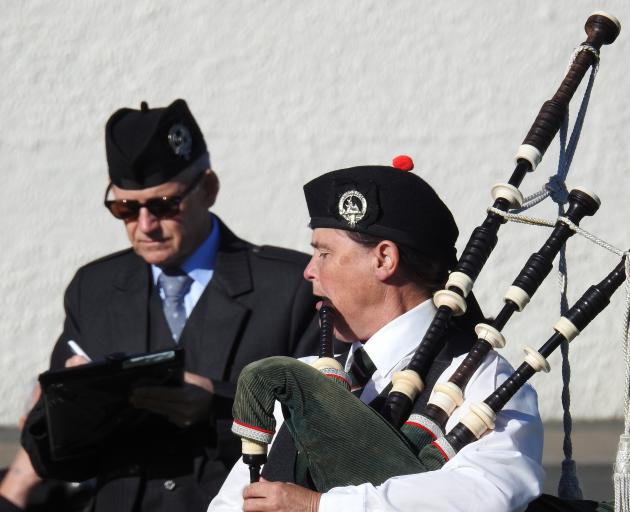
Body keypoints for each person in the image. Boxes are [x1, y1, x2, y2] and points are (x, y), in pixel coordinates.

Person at [21, 99, 319, 512]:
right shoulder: (95, 288)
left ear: (208, 189)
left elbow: (322, 432)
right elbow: (49, 456)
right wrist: (66, 408)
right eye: (125, 208)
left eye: (164, 205)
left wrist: (215, 408)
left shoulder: (290, 286)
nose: (145, 225)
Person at [209, 158, 545, 511]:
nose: (308, 271)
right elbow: (231, 503)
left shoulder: (483, 380)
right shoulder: (305, 374)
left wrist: (320, 506)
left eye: (324, 252)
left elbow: (487, 493)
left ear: (384, 259)